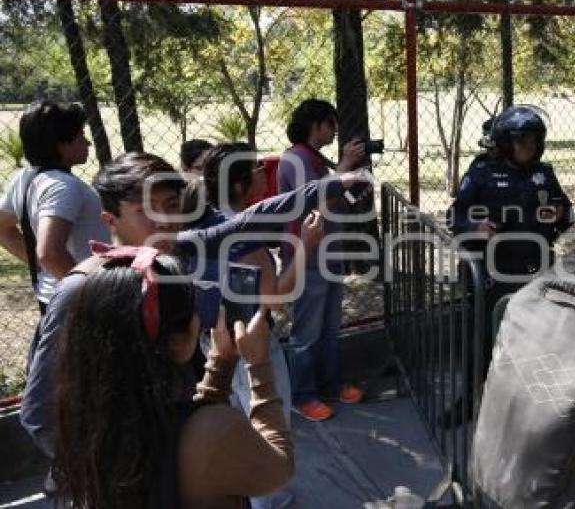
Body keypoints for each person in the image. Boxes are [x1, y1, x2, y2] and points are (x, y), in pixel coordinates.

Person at [20, 152, 362, 489]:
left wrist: (328, 186)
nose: (164, 220)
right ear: (111, 221)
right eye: (146, 210)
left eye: (170, 205)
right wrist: (105, 477)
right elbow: (38, 413)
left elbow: (250, 221)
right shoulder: (82, 291)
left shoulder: (175, 253)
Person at [51, 246, 294, 508]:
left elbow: (179, 427)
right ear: (178, 342)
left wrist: (221, 364)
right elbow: (279, 467)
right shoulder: (214, 432)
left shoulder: (87, 420)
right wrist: (259, 365)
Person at [187, 143, 324, 509]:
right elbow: (276, 297)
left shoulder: (203, 223)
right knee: (264, 412)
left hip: (213, 341)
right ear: (238, 185)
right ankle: (269, 497)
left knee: (232, 411)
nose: (266, 172)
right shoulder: (244, 239)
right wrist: (307, 244)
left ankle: (241, 487)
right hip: (252, 343)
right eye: (256, 169)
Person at [442, 105, 573, 426]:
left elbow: (565, 209)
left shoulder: (545, 173)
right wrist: (476, 228)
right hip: (492, 273)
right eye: (523, 140)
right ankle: (470, 398)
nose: (530, 147)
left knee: (536, 336)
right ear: (504, 143)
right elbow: (454, 217)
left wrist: (560, 213)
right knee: (482, 338)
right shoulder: (481, 174)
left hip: (536, 269)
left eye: (534, 141)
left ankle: (528, 399)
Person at [277, 98, 366, 422]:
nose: (335, 131)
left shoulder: (314, 159)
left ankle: (329, 385)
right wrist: (344, 167)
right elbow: (312, 198)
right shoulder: (296, 160)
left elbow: (331, 201)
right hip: (309, 258)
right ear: (316, 125)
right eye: (331, 124)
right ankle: (303, 395)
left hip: (329, 254)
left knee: (329, 328)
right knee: (307, 332)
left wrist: (352, 184)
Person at [0, 101, 109, 319]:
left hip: (55, 298)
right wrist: (89, 293)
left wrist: (42, 267)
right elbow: (50, 252)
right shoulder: (62, 186)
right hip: (77, 304)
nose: (87, 142)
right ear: (61, 144)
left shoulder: (26, 177)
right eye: (80, 134)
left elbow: (3, 228)